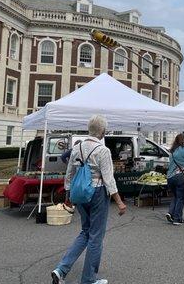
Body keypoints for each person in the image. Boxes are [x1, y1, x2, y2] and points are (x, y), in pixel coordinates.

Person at [52, 115, 126, 284]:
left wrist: (68, 195)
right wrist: (119, 201)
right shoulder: (103, 150)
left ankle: (61, 269)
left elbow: (69, 173)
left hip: (79, 193)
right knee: (96, 236)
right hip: (97, 193)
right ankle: (89, 279)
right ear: (102, 131)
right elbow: (109, 179)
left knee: (85, 231)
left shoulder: (77, 148)